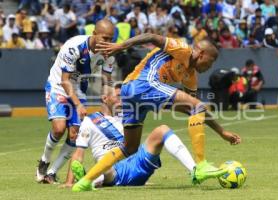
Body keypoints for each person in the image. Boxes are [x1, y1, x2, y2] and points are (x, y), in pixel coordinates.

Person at [72, 33, 241, 192]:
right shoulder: (183, 49)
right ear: (202, 54)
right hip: (143, 84)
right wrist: (121, 46)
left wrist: (222, 132)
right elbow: (152, 36)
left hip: (129, 92)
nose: (208, 68)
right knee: (197, 106)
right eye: (210, 63)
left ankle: (85, 181)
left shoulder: (190, 76)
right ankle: (201, 165)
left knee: (130, 147)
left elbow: (197, 112)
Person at [62, 84, 197, 188]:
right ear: (105, 98)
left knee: (162, 130)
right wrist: (69, 182)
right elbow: (78, 153)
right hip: (112, 172)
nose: (122, 100)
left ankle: (195, 170)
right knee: (105, 167)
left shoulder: (129, 115)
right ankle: (89, 181)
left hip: (137, 163)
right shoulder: (90, 121)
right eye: (118, 96)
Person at [36, 19, 116, 184]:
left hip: (79, 88)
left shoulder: (109, 53)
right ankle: (44, 161)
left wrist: (106, 94)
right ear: (94, 34)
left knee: (74, 134)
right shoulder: (74, 47)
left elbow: (107, 78)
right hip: (58, 84)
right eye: (104, 38)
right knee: (58, 129)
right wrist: (78, 104)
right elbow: (65, 80)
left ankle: (51, 173)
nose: (108, 43)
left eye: (110, 39)